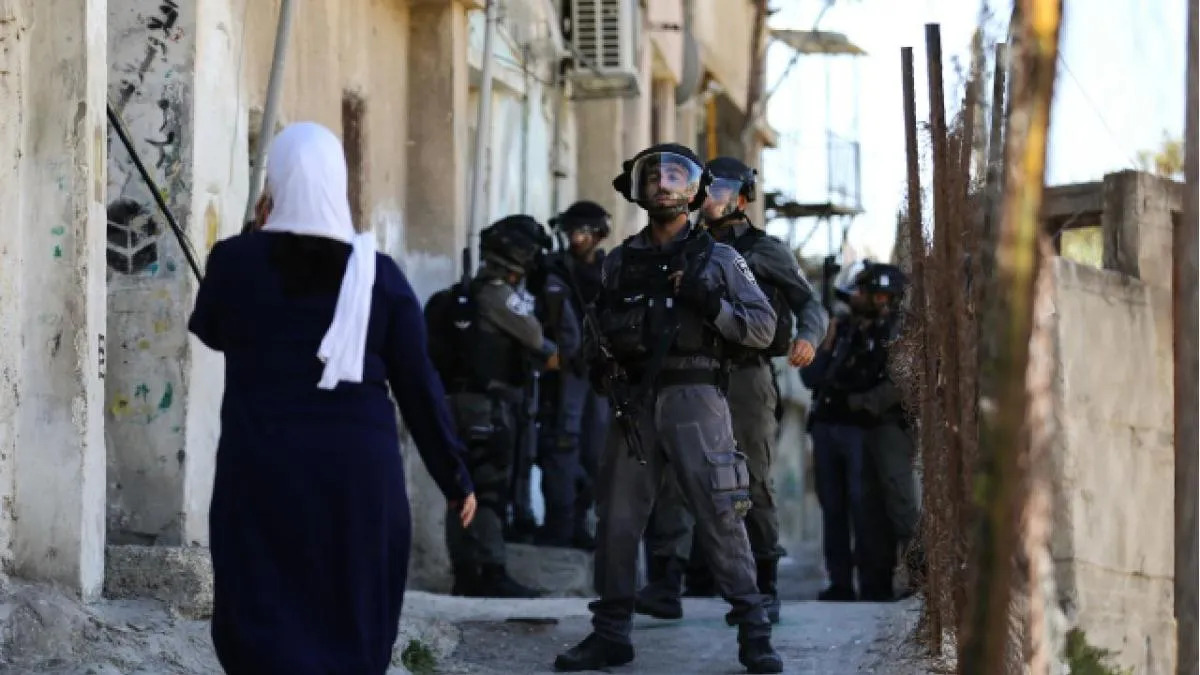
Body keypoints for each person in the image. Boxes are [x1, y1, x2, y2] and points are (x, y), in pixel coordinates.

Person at [188, 122, 477, 674]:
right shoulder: (380, 276)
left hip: (263, 465)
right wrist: (454, 476)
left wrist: (254, 238)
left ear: (272, 189)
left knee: (261, 597)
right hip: (356, 477)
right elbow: (418, 385)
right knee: (351, 608)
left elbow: (213, 330)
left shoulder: (234, 261)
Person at [554, 144, 783, 674]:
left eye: (676, 175)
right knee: (615, 517)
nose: (663, 184)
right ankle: (611, 632)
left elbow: (764, 328)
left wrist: (711, 303)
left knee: (722, 512)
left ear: (695, 189)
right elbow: (597, 327)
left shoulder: (719, 258)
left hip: (695, 395)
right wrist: (600, 363)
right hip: (633, 402)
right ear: (638, 188)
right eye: (653, 176)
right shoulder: (619, 261)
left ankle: (754, 632)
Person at [636, 156, 829, 623]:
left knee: (751, 478)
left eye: (720, 189)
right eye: (705, 188)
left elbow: (809, 304)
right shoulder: (683, 245)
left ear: (741, 198)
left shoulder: (765, 250)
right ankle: (666, 583)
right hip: (690, 372)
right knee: (675, 475)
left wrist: (808, 337)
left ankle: (765, 586)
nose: (710, 198)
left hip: (745, 374)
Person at [424, 214, 558, 598]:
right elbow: (536, 338)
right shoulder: (495, 294)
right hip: (485, 406)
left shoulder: (459, 296)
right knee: (489, 487)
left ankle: (466, 572)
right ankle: (491, 570)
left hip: (454, 404)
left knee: (462, 486)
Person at [800, 260, 909, 602]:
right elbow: (810, 377)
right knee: (832, 508)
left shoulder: (892, 334)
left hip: (860, 430)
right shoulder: (844, 330)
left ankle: (874, 583)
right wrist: (826, 344)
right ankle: (841, 582)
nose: (856, 297)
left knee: (866, 510)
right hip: (827, 426)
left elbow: (894, 385)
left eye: (864, 291)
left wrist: (861, 403)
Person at [534, 201, 613, 549]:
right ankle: (559, 525)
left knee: (596, 452)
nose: (576, 239)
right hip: (564, 374)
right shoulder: (553, 271)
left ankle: (581, 523)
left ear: (598, 235)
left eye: (583, 232)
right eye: (572, 232)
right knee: (560, 447)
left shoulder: (611, 272)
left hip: (600, 376)